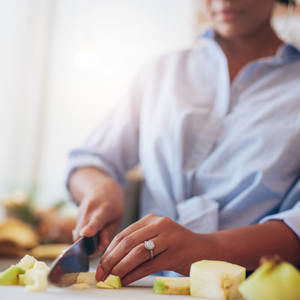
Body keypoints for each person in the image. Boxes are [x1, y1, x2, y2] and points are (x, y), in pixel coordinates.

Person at [67, 0, 300, 286]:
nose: (224, 1)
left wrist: (206, 249)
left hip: (251, 291)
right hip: (145, 289)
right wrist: (101, 190)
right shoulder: (160, 71)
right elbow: (89, 161)